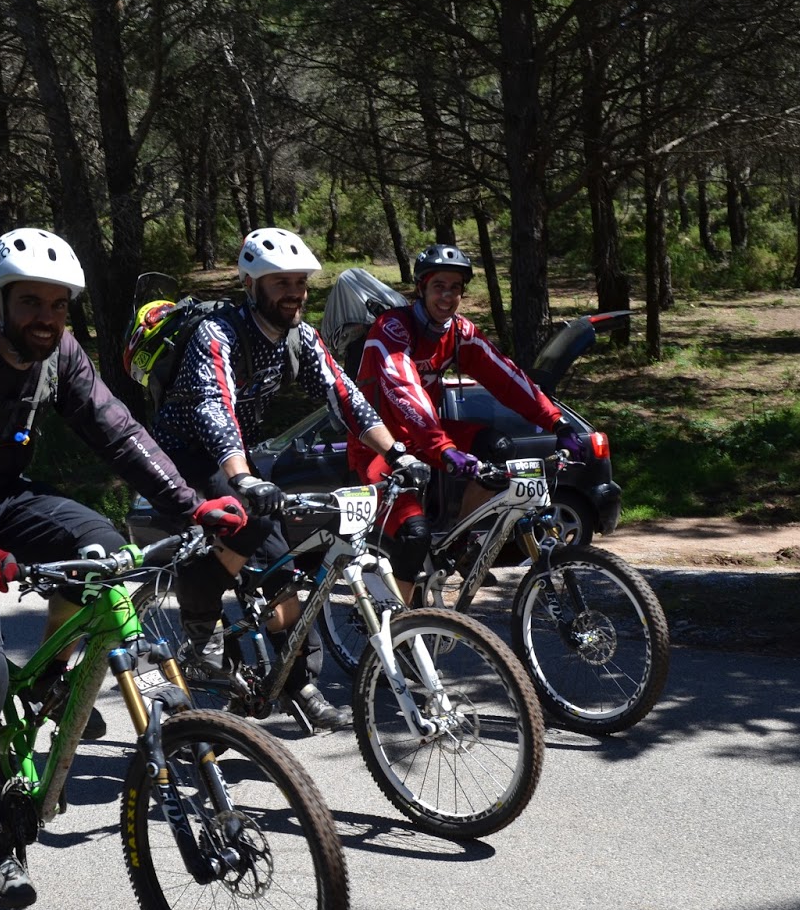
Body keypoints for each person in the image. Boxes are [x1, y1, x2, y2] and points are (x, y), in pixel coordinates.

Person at [0, 227, 245, 910]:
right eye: (30, 302)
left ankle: (50, 678)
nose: (45, 317)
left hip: (4, 498)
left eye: (58, 304)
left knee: (102, 552)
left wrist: (191, 505)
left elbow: (118, 430)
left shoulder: (62, 353)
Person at [150, 227, 427, 732]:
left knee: (280, 564)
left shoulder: (299, 336)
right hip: (183, 457)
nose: (294, 293)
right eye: (281, 283)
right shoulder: (218, 334)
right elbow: (215, 407)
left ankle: (297, 682)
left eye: (300, 282)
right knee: (243, 524)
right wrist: (242, 479)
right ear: (250, 284)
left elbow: (344, 395)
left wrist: (397, 453)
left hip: (235, 456)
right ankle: (200, 629)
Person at [348, 243, 582, 600]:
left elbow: (506, 378)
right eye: (439, 286)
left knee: (497, 447)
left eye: (455, 287)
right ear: (421, 288)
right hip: (380, 447)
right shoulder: (392, 328)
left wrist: (557, 423)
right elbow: (405, 390)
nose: (447, 296)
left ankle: (458, 545)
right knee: (414, 535)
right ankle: (396, 621)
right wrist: (444, 449)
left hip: (425, 441)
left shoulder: (459, 331)